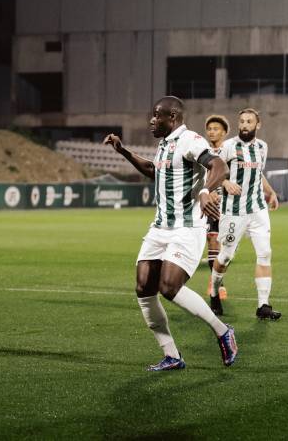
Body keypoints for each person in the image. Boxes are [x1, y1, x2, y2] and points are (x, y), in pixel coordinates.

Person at [104, 96, 237, 371]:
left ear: (172, 117)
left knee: (169, 287)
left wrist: (204, 191)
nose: (152, 120)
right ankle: (172, 356)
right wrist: (123, 151)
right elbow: (154, 171)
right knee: (143, 288)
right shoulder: (164, 145)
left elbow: (219, 166)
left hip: (187, 228)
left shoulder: (190, 140)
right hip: (160, 227)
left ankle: (223, 331)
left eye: (157, 115)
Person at [209, 108, 281, 320]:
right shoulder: (228, 146)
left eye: (249, 121)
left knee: (265, 253)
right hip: (233, 211)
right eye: (242, 121)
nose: (245, 125)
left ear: (257, 125)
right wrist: (224, 182)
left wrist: (270, 192)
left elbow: (257, 174)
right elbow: (211, 171)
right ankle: (214, 291)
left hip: (258, 209)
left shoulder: (262, 147)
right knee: (226, 256)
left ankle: (263, 305)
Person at [203, 114, 229, 302]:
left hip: (227, 203)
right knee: (212, 241)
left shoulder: (231, 151)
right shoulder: (202, 151)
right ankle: (214, 285)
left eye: (216, 129)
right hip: (206, 202)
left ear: (225, 132)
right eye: (210, 129)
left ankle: (218, 282)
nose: (212, 131)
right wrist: (206, 191)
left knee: (225, 247)